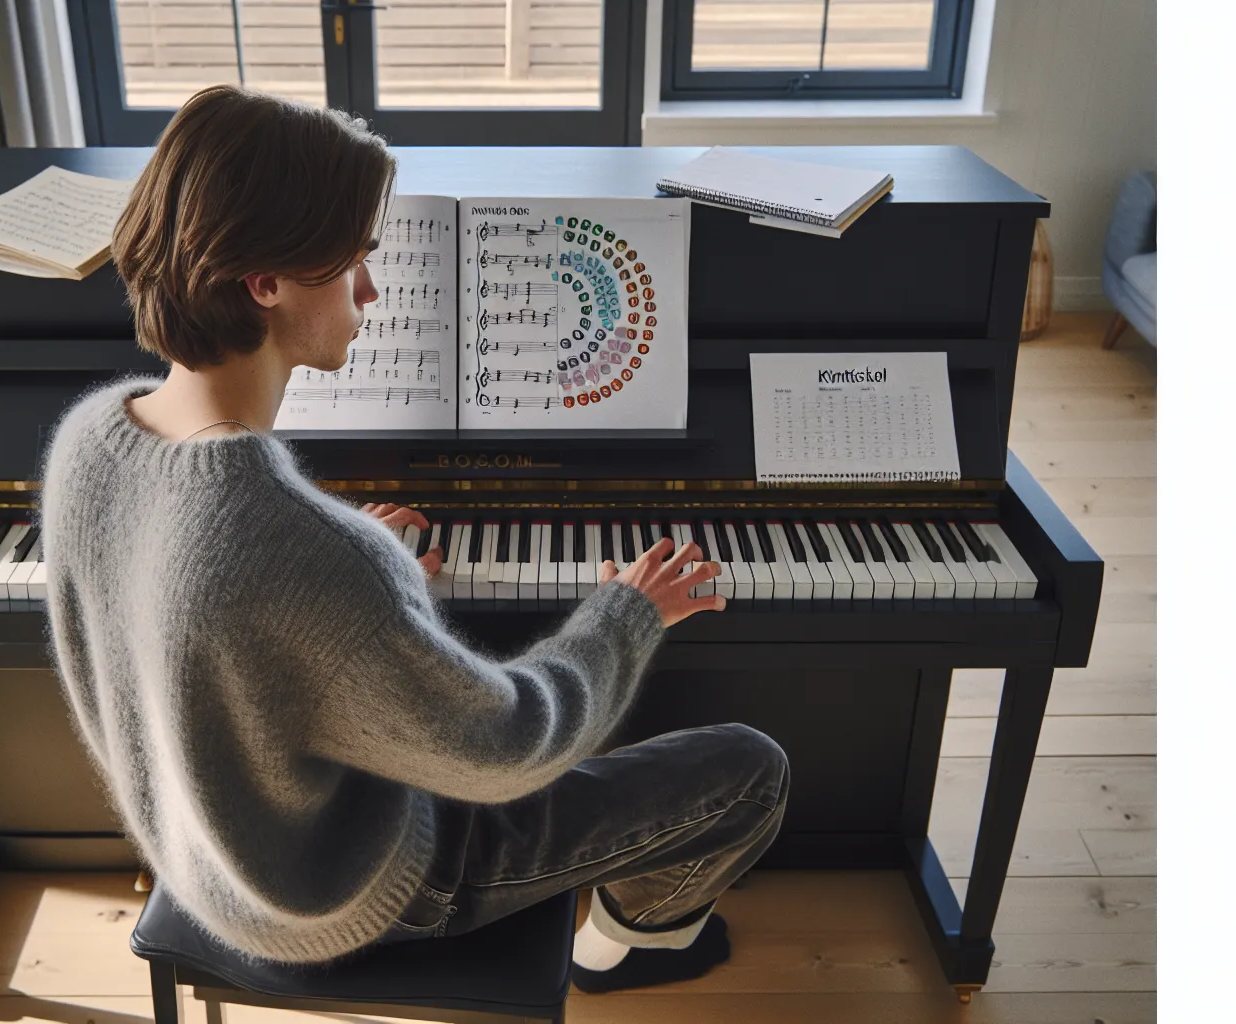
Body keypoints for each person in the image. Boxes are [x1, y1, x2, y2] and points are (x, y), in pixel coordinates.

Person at [39, 84, 789, 994]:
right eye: (351, 261)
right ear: (265, 282)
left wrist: (363, 580)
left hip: (206, 860)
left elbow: (221, 620)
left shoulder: (89, 437)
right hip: (364, 893)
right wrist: (627, 613)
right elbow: (513, 744)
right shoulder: (312, 551)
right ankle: (630, 944)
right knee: (750, 768)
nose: (370, 289)